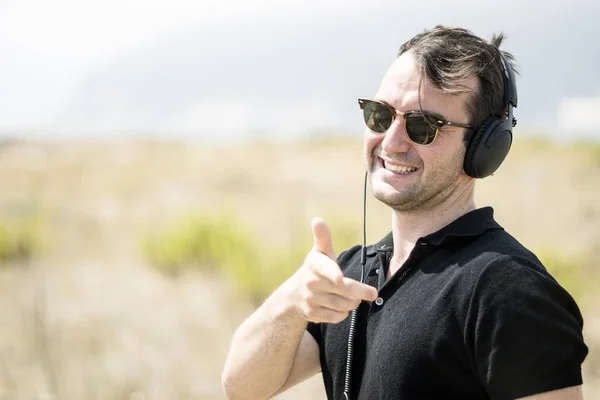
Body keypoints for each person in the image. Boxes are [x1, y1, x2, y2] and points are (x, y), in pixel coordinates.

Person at [221, 26, 588, 400]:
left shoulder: (508, 291)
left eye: (422, 125)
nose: (392, 142)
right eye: (380, 115)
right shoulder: (352, 275)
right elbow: (242, 387)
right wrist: (294, 299)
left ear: (483, 147)